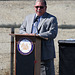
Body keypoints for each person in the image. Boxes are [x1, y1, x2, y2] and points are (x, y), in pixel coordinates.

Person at [19, 0, 58, 75]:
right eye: (37, 7)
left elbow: (52, 33)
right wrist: (26, 34)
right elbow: (21, 29)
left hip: (45, 55)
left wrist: (37, 36)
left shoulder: (52, 19)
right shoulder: (28, 18)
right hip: (29, 54)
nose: (39, 9)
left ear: (45, 8)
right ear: (34, 7)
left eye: (41, 7)